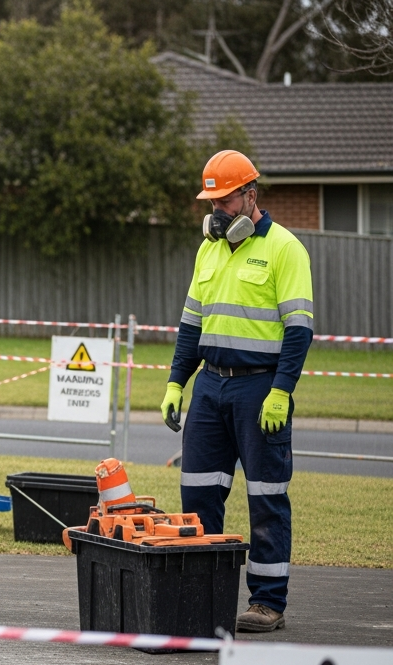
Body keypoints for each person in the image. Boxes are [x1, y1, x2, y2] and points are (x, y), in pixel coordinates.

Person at [162, 150, 313, 633]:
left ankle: (267, 603)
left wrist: (281, 391)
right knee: (198, 494)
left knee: (266, 497)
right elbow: (191, 326)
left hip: (259, 388)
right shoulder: (208, 250)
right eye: (212, 202)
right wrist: (176, 382)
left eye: (225, 201)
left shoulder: (285, 249)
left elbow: (299, 329)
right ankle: (203, 599)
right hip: (210, 387)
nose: (217, 211)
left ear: (251, 195)